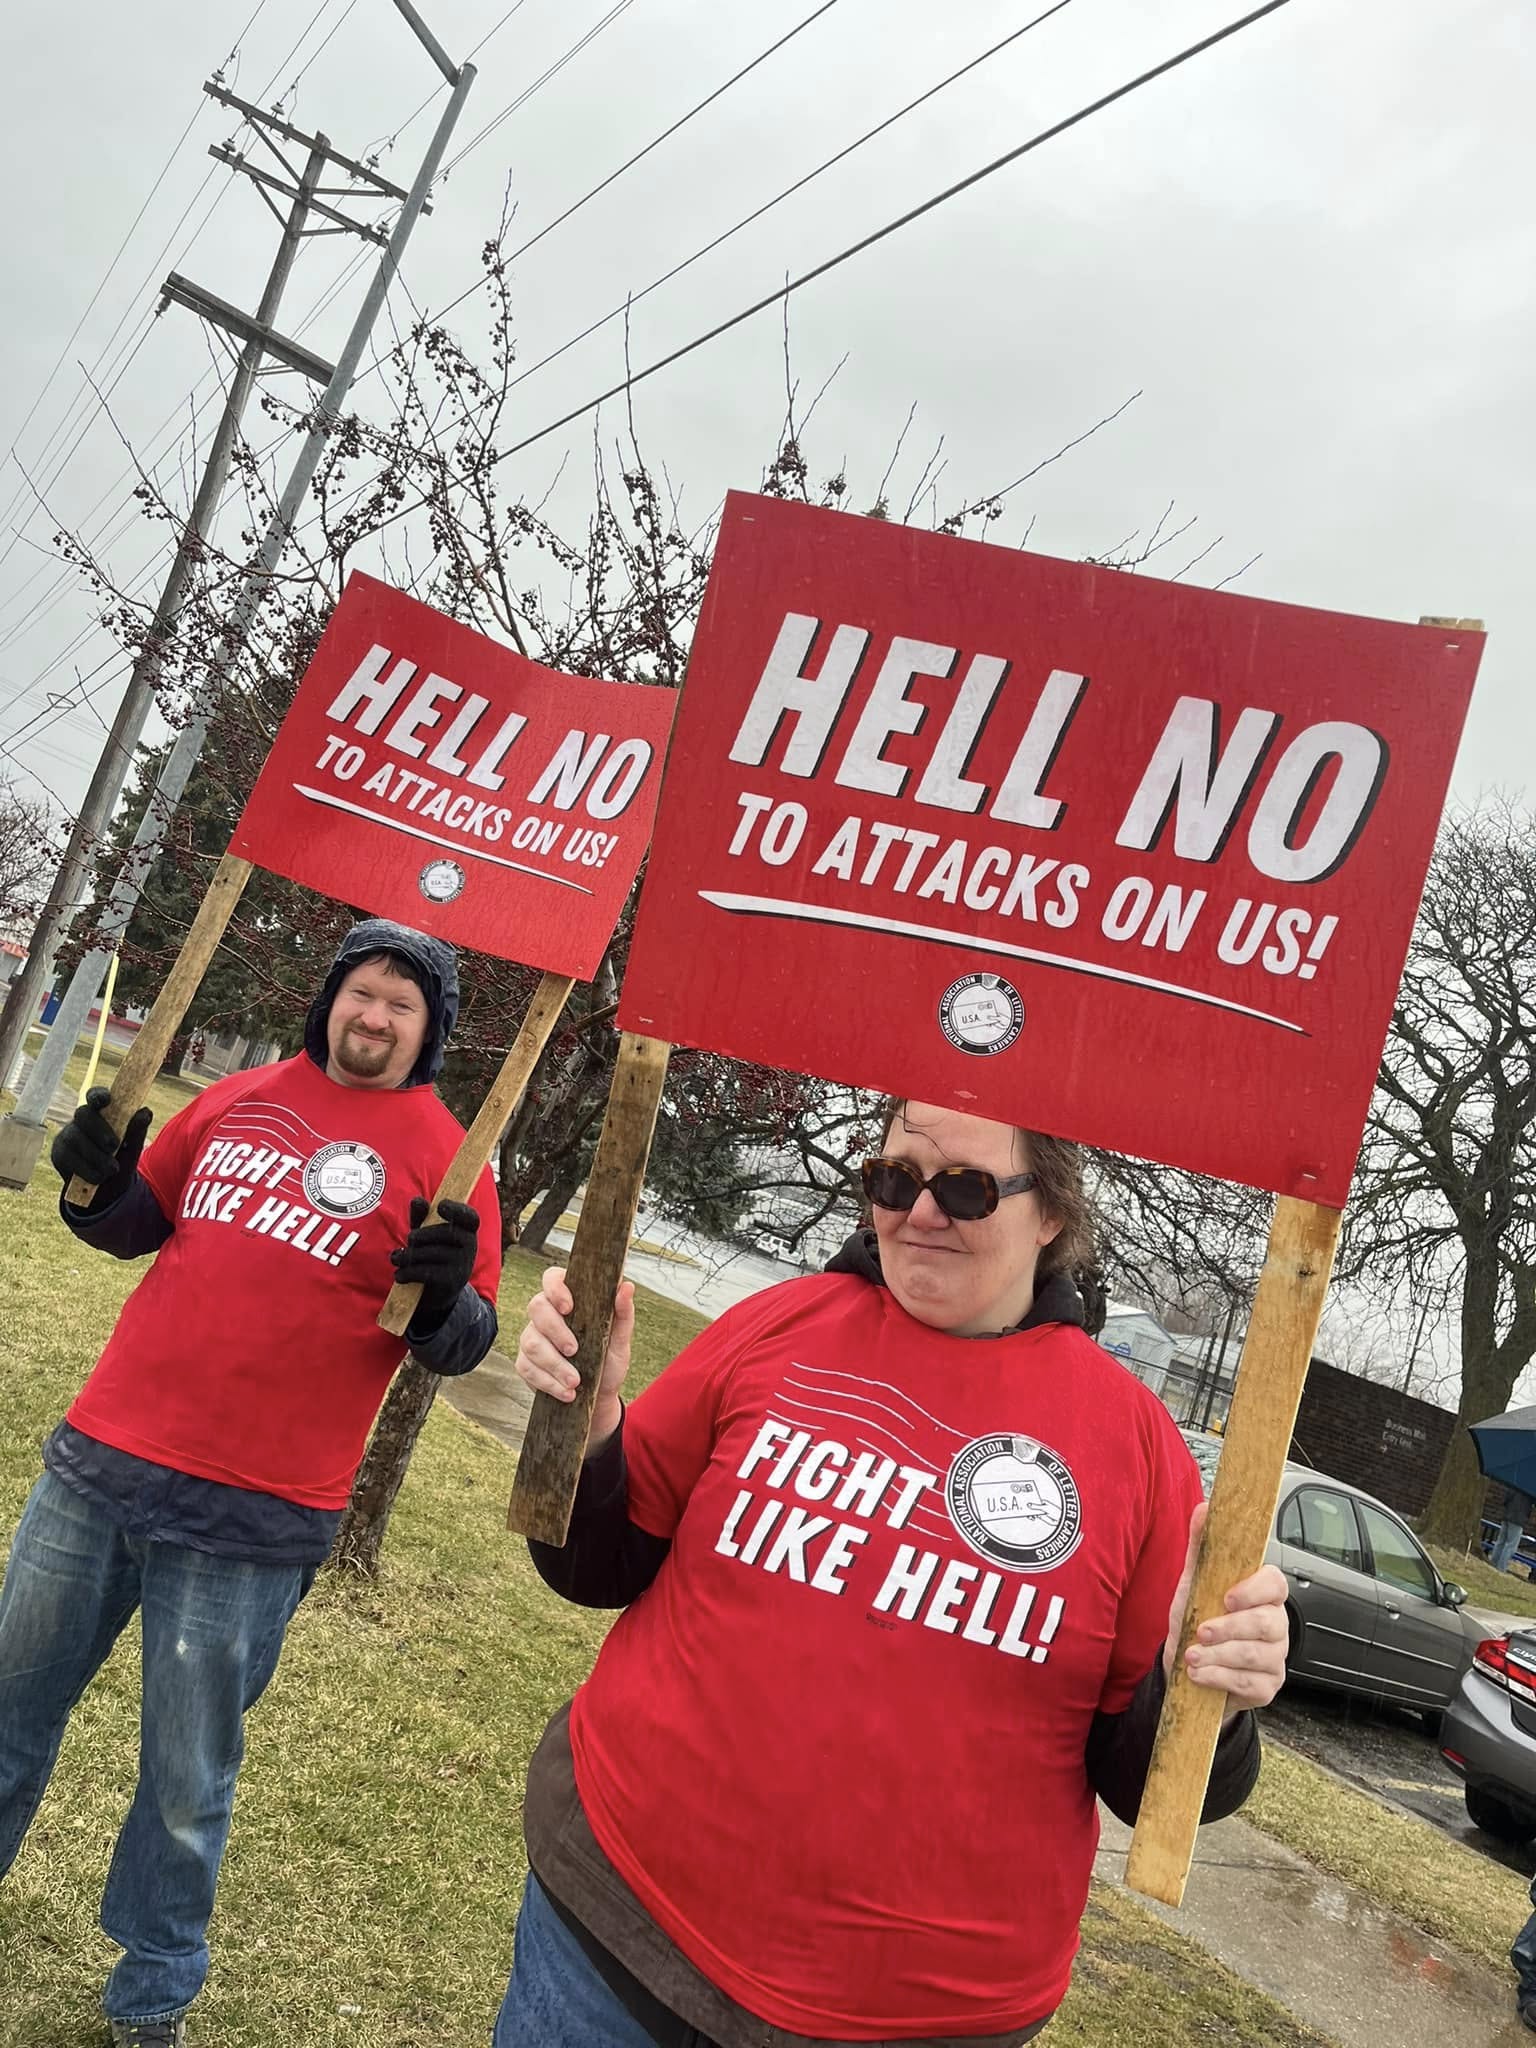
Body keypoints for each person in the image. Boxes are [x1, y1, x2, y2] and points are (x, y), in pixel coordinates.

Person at [498, 1099, 1289, 2047]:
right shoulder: (778, 1323)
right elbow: (593, 1566)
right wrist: (587, 1433)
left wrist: (1212, 1690)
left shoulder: (1137, 1446)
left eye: (966, 1189)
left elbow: (1157, 1791)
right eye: (894, 1178)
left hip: (919, 2015)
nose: (920, 1213)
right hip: (611, 1932)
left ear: (1051, 1213)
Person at [0, 919, 502, 2048]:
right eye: (362, 991)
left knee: (187, 1779)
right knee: (7, 1707)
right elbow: (136, 1223)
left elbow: (462, 1339)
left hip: (254, 1515)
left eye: (402, 1004)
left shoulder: (452, 1157)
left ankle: (152, 1992)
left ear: (429, 1032)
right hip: (101, 1465)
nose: (374, 1016)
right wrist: (94, 1184)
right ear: (330, 998)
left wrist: (444, 1299)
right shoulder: (241, 1097)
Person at [1492, 1488, 1534, 1575]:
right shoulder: (1531, 1487)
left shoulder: (1516, 1482)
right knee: (1511, 1545)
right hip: (1519, 1518)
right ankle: (1501, 1568)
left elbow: (1507, 1497)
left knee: (1501, 1541)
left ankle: (1493, 1563)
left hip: (1507, 1514)